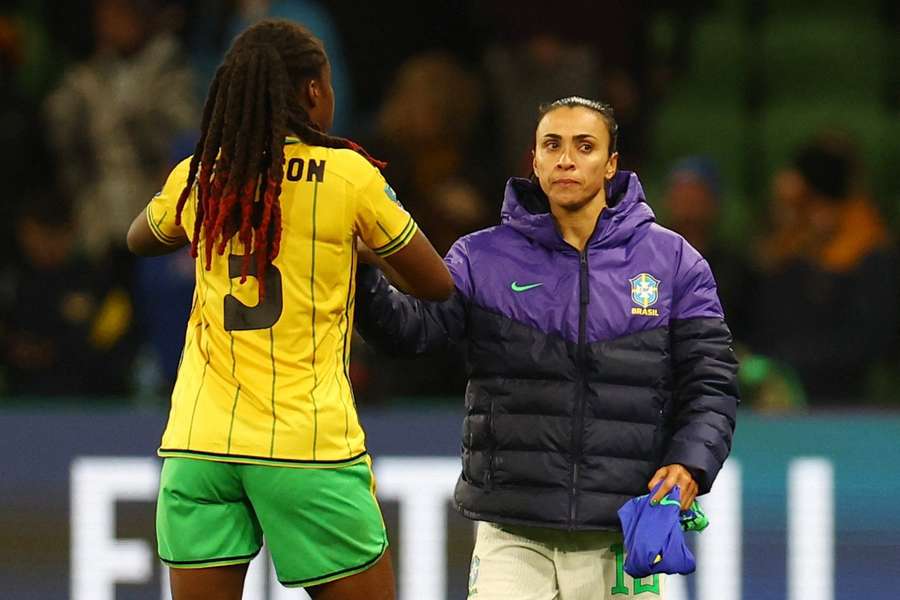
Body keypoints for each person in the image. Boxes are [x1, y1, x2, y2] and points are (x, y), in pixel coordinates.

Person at [355, 97, 739, 599]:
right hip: (512, 530)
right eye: (552, 145)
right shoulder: (481, 258)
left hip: (618, 532)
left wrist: (690, 464)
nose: (566, 159)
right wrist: (363, 274)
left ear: (611, 164)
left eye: (584, 147)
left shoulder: (674, 263)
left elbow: (712, 383)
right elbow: (413, 332)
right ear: (533, 161)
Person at [126, 19, 453, 600]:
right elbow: (435, 283)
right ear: (311, 93)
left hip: (200, 445)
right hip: (305, 444)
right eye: (325, 85)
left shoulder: (202, 176)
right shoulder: (349, 175)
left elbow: (139, 238)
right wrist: (358, 251)